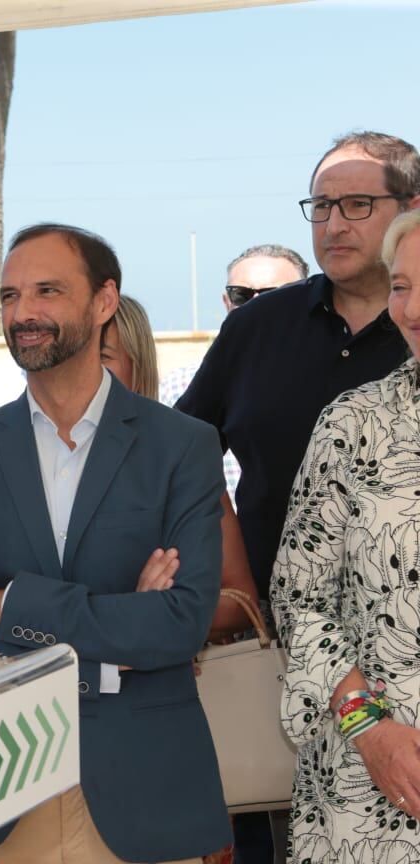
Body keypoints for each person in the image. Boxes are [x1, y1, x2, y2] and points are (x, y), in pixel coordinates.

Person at [0, 223, 229, 863]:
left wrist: (11, 603)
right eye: (9, 295)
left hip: (147, 796)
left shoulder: (183, 446)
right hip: (0, 793)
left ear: (104, 302)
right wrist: (116, 638)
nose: (22, 312)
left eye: (47, 291)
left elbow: (178, 626)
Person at [177, 132, 419, 613]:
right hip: (272, 637)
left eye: (357, 205)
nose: (333, 226)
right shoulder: (255, 326)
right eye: (323, 206)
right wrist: (222, 577)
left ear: (412, 209)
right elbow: (182, 454)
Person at [270, 209, 420, 864]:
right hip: (366, 795)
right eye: (403, 285)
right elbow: (300, 601)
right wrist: (369, 729)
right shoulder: (353, 424)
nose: (412, 308)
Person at [103, 295, 259, 643]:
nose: (82, 370)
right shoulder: (20, 461)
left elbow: (239, 599)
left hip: (171, 687)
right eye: (73, 355)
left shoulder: (181, 456)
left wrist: (167, 618)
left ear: (137, 362)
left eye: (102, 356)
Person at [160, 244, 309, 505]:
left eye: (273, 296)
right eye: (241, 294)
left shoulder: (337, 379)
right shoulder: (178, 386)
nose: (256, 307)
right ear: (226, 302)